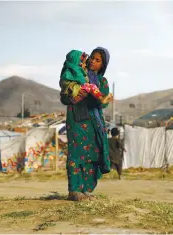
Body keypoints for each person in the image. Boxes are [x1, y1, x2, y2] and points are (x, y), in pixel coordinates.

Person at [59, 47, 113, 201]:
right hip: (77, 118)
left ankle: (85, 189)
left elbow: (102, 105)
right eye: (92, 58)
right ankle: (74, 190)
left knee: (93, 154)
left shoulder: (102, 81)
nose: (92, 62)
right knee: (77, 153)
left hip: (95, 122)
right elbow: (64, 97)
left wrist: (103, 99)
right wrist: (76, 95)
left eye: (98, 61)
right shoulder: (77, 75)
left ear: (103, 65)